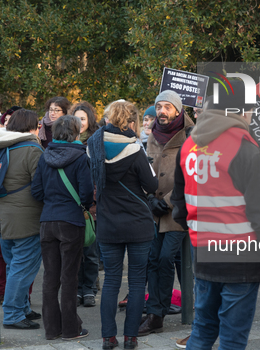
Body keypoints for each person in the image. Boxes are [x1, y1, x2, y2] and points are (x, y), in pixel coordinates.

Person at [171, 79, 260, 349]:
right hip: (242, 258)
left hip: (203, 254)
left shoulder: (188, 147)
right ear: (241, 111)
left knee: (203, 330)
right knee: (232, 339)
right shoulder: (245, 149)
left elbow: (178, 202)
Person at [88, 100, 157, 350]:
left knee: (111, 281)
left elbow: (90, 186)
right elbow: (152, 186)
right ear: (130, 122)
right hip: (137, 222)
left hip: (108, 222)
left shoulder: (93, 147)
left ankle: (108, 338)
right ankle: (131, 338)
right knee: (137, 282)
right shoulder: (135, 149)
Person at [31, 115, 93, 340]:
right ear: (76, 134)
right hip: (71, 222)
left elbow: (36, 191)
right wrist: (81, 204)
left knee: (50, 277)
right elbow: (86, 193)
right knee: (69, 278)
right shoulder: (80, 157)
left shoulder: (44, 156)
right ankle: (70, 329)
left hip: (47, 221)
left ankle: (51, 329)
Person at [138, 90, 195, 336]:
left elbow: (193, 175)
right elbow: (143, 170)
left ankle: (166, 312)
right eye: (158, 107)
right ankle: (155, 315)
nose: (161, 112)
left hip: (180, 210)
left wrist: (170, 200)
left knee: (165, 259)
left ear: (178, 110)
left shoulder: (191, 135)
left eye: (167, 107)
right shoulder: (151, 136)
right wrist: (149, 198)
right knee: (152, 259)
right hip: (153, 211)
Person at [0, 109, 44, 330]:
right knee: (23, 268)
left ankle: (22, 309)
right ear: (31, 127)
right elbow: (40, 187)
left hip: (1, 216)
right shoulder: (32, 149)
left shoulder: (0, 145)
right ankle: (13, 314)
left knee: (14, 265)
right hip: (26, 218)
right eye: (37, 125)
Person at [70, 101, 100, 307]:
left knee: (90, 250)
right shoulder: (66, 141)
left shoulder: (96, 142)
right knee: (74, 252)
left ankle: (88, 288)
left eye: (83, 119)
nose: (80, 123)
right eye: (76, 119)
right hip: (71, 204)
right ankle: (77, 288)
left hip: (91, 205)